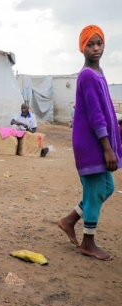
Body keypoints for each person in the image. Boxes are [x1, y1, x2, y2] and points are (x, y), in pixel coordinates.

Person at [57, 25, 122, 261]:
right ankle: (88, 242)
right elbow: (96, 115)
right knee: (95, 190)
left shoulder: (99, 72)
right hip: (92, 143)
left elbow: (106, 111)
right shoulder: (86, 75)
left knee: (107, 188)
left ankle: (70, 220)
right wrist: (107, 149)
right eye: (90, 44)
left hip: (98, 142)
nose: (96, 48)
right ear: (81, 48)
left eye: (99, 43)